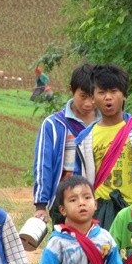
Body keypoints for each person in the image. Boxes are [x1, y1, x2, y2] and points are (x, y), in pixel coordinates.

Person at [74, 64, 132, 229]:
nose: (108, 97)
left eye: (114, 91)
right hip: (101, 214)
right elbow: (80, 182)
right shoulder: (84, 139)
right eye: (101, 92)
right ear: (93, 98)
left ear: (124, 96)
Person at [32, 64, 99, 225]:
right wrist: (41, 205)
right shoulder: (54, 125)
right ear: (71, 90)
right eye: (83, 96)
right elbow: (43, 165)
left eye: (93, 97)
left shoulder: (106, 123)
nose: (88, 103)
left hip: (99, 201)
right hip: (64, 202)